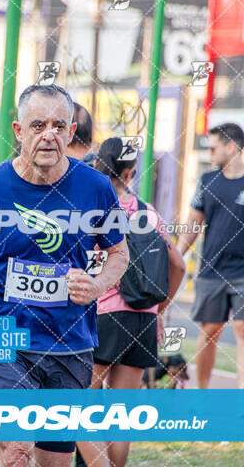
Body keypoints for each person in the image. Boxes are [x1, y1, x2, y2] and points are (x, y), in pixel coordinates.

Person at [0, 84, 129, 467]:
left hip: (69, 343)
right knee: (18, 449)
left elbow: (118, 254)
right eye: (38, 125)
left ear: (72, 132)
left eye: (59, 125)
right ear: (19, 130)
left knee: (53, 462)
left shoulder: (95, 188)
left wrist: (96, 285)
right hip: (0, 339)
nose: (49, 134)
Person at [76, 137, 185, 467]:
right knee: (121, 416)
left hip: (103, 316)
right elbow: (178, 264)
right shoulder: (147, 211)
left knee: (78, 407)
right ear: (131, 171)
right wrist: (160, 310)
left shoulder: (92, 209)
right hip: (144, 319)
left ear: (99, 166)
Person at [177, 123, 244, 389]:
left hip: (242, 272)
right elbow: (193, 223)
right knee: (209, 330)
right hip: (212, 270)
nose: (211, 151)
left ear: (232, 147)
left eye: (214, 146)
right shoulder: (207, 181)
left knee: (242, 330)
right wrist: (177, 257)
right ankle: (202, 393)